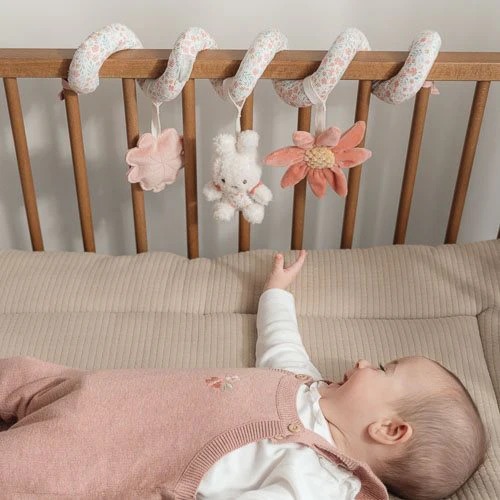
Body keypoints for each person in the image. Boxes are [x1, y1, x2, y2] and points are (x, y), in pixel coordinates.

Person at [0, 251, 486, 500]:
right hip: (99, 389)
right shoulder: (306, 386)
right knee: (19, 372)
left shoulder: (317, 480)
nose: (363, 362)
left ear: (389, 429)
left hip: (102, 455)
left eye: (383, 369)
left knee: (23, 466)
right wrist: (277, 293)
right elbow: (281, 342)